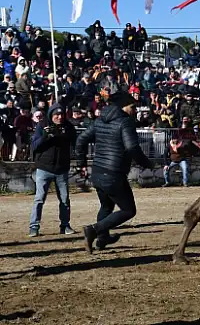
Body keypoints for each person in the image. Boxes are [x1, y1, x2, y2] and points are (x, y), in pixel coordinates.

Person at [75, 91, 154, 254]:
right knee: (128, 210)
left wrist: (81, 164)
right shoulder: (125, 122)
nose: (135, 110)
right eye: (133, 107)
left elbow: (81, 139)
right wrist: (147, 163)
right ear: (123, 107)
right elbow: (132, 147)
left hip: (97, 172)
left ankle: (103, 238)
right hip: (114, 174)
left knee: (106, 206)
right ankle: (94, 230)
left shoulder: (100, 121)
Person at [28, 105, 77, 237]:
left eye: (62, 115)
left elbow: (76, 142)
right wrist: (45, 136)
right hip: (44, 168)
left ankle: (65, 225)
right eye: (57, 115)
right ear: (51, 114)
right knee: (39, 199)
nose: (60, 117)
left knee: (64, 199)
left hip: (62, 169)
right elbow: (34, 146)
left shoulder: (68, 127)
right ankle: (34, 226)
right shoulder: (42, 125)